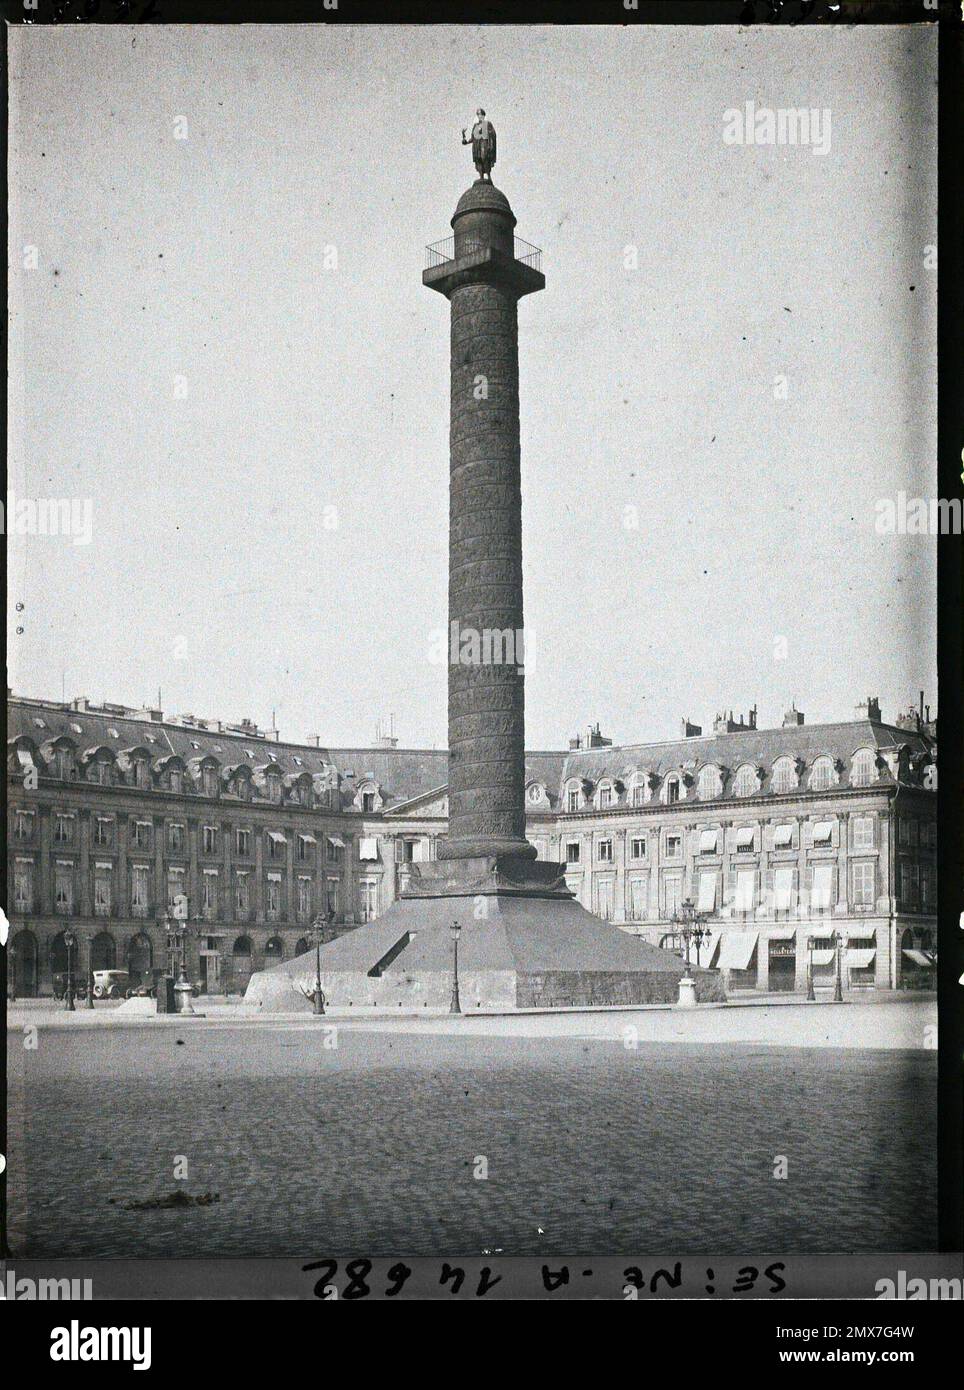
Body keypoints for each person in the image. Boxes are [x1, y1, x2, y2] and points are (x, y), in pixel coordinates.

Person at [461, 109, 497, 181]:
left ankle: (489, 176)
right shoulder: (475, 126)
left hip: (484, 144)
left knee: (485, 158)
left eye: (480, 114)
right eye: (478, 114)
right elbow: (472, 138)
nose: (479, 116)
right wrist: (463, 135)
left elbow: (493, 134)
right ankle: (481, 177)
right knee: (478, 160)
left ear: (483, 115)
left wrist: (490, 144)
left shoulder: (487, 124)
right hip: (476, 146)